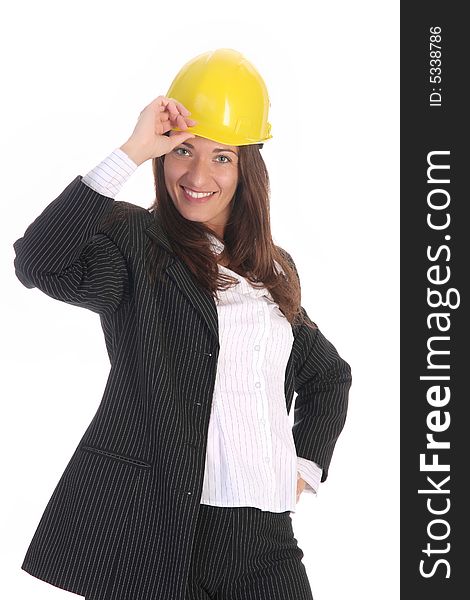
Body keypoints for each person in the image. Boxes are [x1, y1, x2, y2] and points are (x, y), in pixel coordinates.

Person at [13, 48, 352, 600]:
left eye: (222, 157)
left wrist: (306, 466)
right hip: (170, 531)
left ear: (248, 168)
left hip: (267, 540)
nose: (198, 175)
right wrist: (132, 150)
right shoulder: (139, 246)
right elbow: (38, 261)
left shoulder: (271, 268)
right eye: (182, 152)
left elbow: (328, 375)